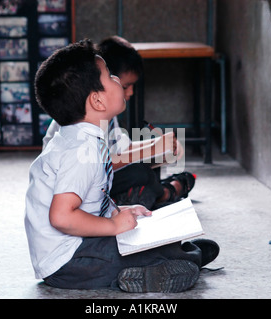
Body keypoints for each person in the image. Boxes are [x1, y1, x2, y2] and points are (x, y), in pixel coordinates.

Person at [25, 39, 216, 292]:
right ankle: (169, 262)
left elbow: (93, 196)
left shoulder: (86, 138)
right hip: (70, 262)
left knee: (160, 241)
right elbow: (61, 217)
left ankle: (177, 254)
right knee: (167, 253)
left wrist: (117, 211)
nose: (119, 83)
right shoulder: (80, 150)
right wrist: (114, 226)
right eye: (111, 77)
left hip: (80, 250)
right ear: (97, 101)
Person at [43, 36, 197, 210]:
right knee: (140, 172)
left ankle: (156, 193)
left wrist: (157, 145)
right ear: (94, 91)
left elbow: (120, 151)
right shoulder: (76, 120)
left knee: (148, 164)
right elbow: (97, 164)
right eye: (117, 82)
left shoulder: (101, 113)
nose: (130, 92)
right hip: (76, 189)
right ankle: (165, 192)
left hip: (92, 182)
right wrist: (151, 149)